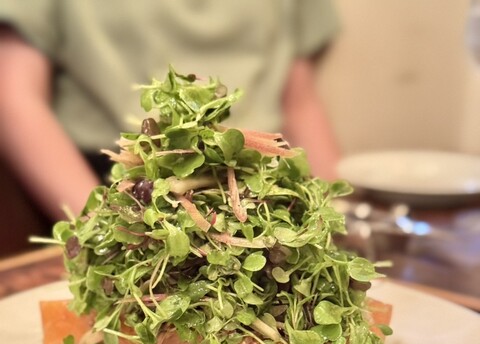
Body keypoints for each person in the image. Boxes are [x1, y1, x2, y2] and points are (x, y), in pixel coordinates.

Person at [0, 0, 341, 223]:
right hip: (118, 184)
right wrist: (103, 226)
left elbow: (299, 101)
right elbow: (14, 95)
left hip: (262, 182)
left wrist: (331, 217)